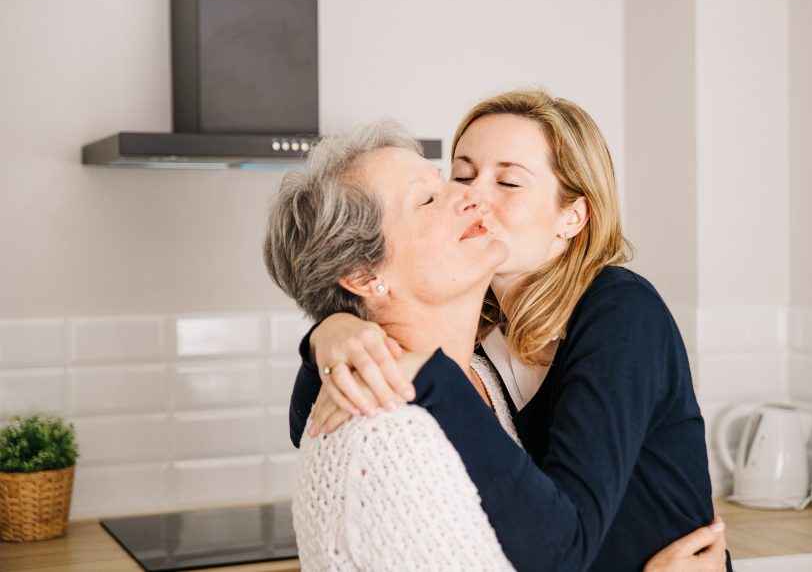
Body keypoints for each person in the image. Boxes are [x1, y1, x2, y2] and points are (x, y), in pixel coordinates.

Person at [289, 90, 730, 572]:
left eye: (509, 182)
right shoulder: (477, 334)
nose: (473, 195)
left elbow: (570, 540)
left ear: (572, 217)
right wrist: (330, 330)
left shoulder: (621, 312)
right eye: (461, 175)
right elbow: (309, 421)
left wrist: (432, 376)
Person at [263, 119, 517, 570]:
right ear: (365, 276)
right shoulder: (385, 434)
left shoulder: (485, 374)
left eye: (447, 181)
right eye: (428, 200)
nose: (475, 195)